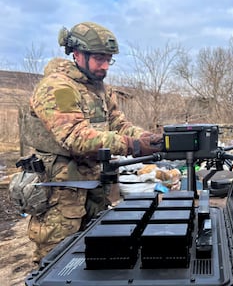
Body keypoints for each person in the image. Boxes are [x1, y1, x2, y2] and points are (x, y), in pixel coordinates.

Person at [23, 21, 163, 263]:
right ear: (77, 54)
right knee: (57, 261)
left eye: (109, 59)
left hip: (93, 187)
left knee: (96, 254)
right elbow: (75, 137)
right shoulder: (58, 87)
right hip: (60, 192)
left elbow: (119, 124)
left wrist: (146, 138)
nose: (106, 66)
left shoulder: (99, 89)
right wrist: (133, 145)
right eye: (100, 58)